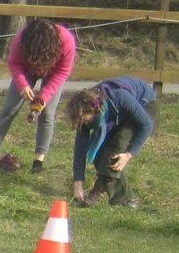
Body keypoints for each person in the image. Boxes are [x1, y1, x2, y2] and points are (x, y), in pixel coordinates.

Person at [0, 18, 78, 174]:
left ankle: (38, 161)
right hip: (26, 69)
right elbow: (14, 62)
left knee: (47, 112)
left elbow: (62, 72)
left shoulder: (67, 42)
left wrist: (43, 97)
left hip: (53, 72)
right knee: (10, 108)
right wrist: (22, 85)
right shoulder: (21, 38)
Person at [66, 77, 156, 209]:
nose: (83, 124)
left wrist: (129, 154)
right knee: (99, 154)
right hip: (121, 113)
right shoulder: (85, 115)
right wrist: (77, 183)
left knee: (115, 149)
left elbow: (146, 125)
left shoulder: (118, 97)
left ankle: (95, 193)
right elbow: (80, 149)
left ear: (92, 110)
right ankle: (126, 199)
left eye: (84, 120)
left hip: (145, 105)